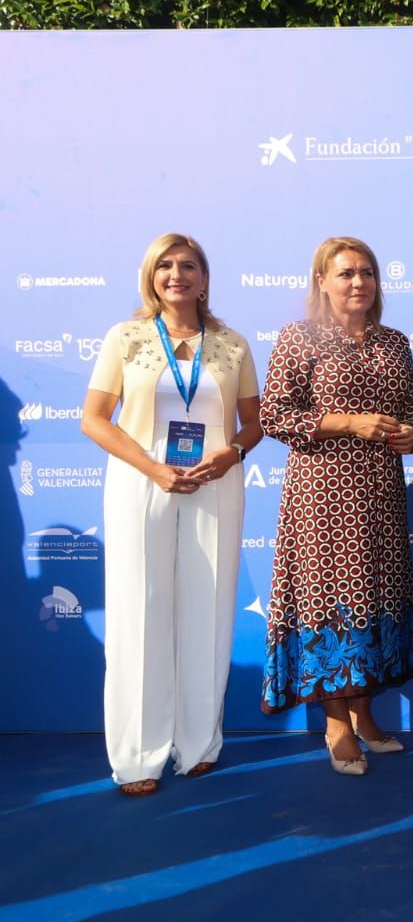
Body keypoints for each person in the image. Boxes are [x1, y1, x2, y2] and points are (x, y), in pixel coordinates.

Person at [82, 233, 262, 796]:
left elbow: (254, 424)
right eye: (165, 265)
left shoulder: (232, 344)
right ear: (150, 275)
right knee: (140, 613)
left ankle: (198, 743)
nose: (176, 274)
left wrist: (229, 453)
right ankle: (138, 754)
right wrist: (153, 468)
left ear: (205, 278)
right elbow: (94, 419)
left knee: (208, 612)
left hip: (215, 485)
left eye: (188, 265)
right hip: (141, 485)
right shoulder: (127, 338)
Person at [259, 236, 413, 775]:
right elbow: (275, 416)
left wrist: (407, 438)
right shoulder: (299, 338)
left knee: (374, 597)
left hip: (379, 492)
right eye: (346, 273)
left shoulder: (394, 343)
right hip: (323, 496)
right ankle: (335, 724)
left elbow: (410, 416)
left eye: (367, 273)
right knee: (333, 600)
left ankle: (365, 715)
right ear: (322, 281)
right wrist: (349, 422)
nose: (358, 282)